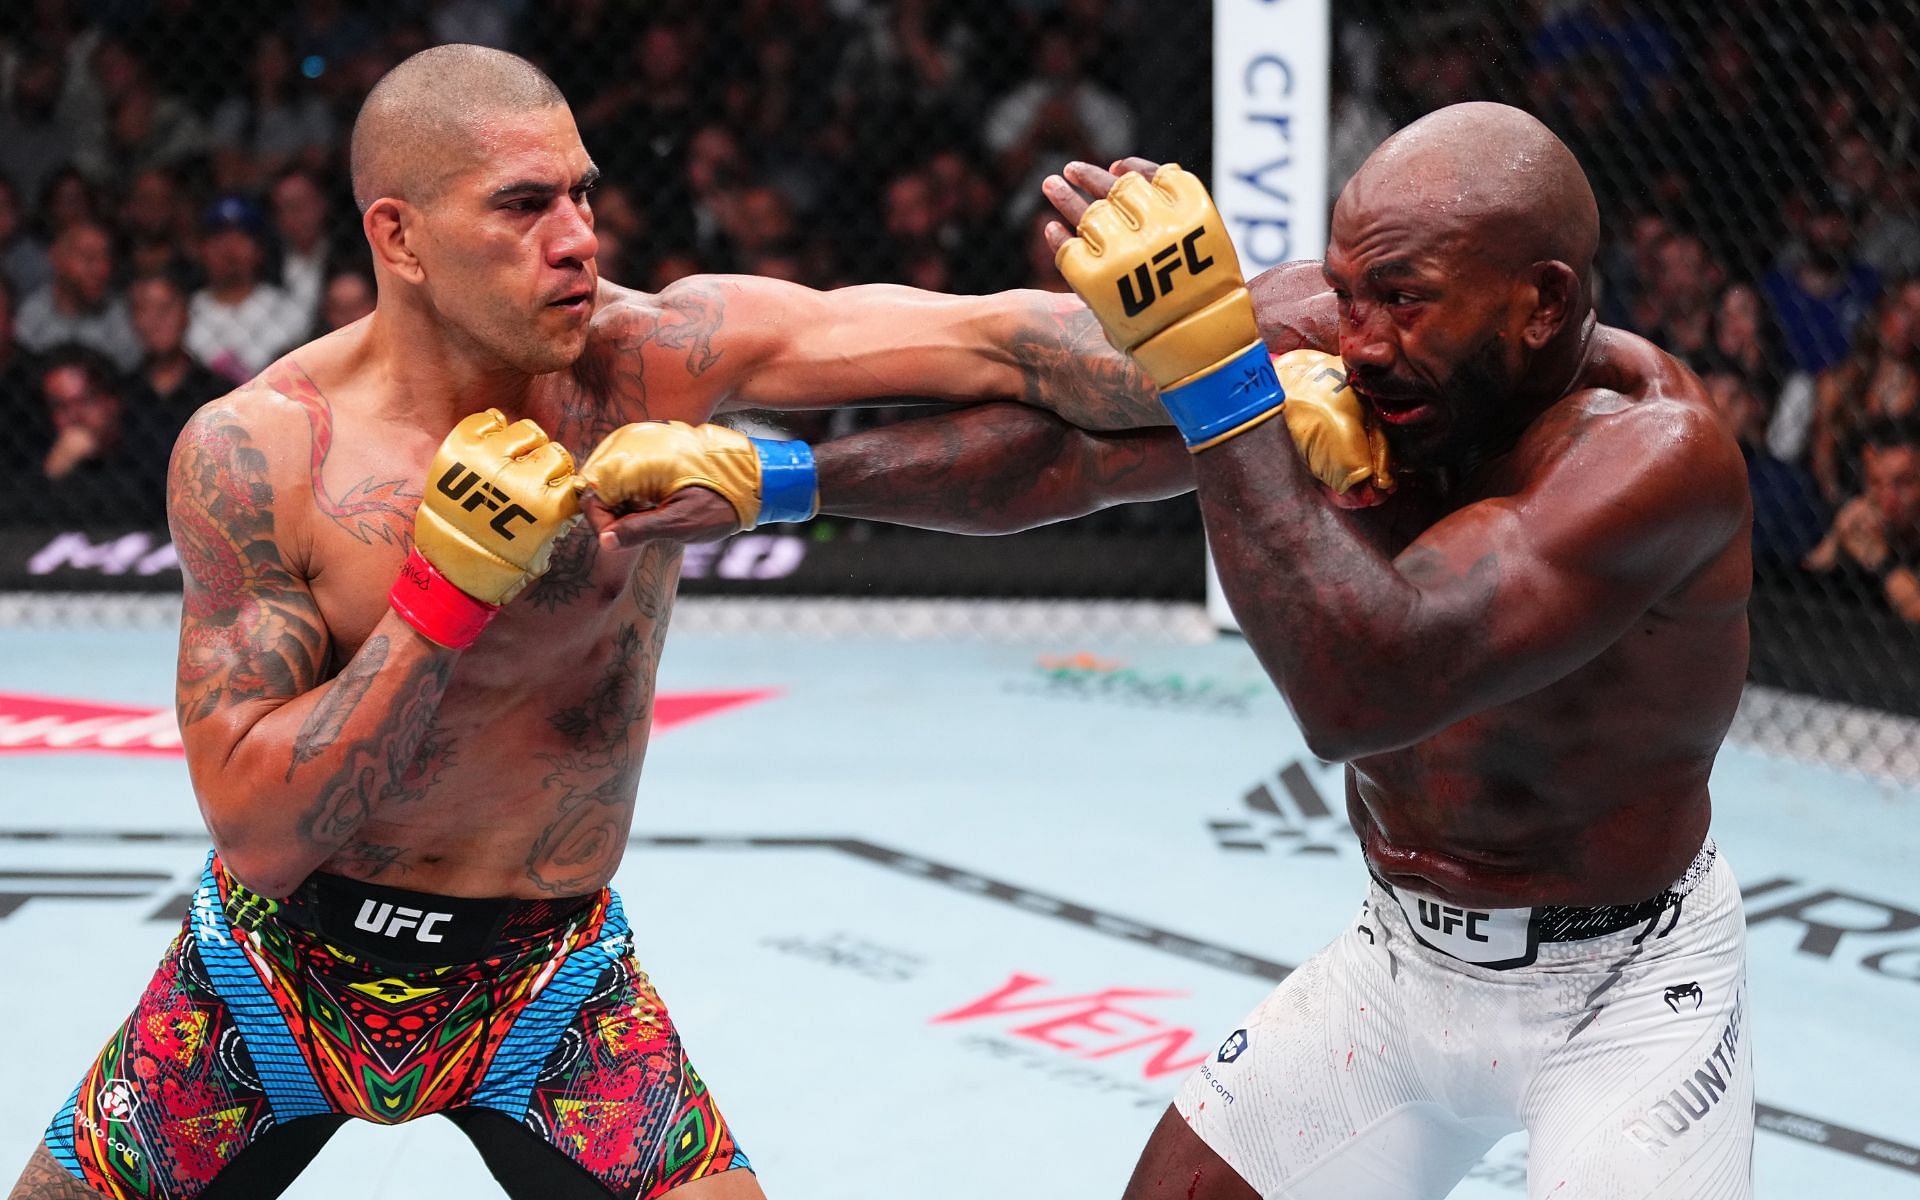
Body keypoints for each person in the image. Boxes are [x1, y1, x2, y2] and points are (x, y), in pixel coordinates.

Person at [6, 43, 1153, 1200]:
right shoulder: (263, 451)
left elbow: (1017, 343)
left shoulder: (651, 360)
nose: (579, 238)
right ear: (399, 237)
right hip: (271, 966)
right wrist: (439, 604)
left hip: (543, 979)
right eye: (523, 204)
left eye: (582, 193)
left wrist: (1210, 326)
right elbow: (258, 833)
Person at [591, 103, 1757, 1198]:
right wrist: (779, 479)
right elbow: (1071, 452)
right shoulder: (1359, 338)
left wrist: (1225, 389)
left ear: (1540, 305)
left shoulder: (1654, 457)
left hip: (1627, 990)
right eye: (1349, 292)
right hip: (1404, 963)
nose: (1360, 341)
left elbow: (1367, 687)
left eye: (1403, 300)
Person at [1804, 416, 1920, 623]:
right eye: (1876, 483)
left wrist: (1881, 563)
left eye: (1903, 483)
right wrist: (1835, 540)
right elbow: (1796, 593)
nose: (1888, 498)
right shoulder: (1861, 528)